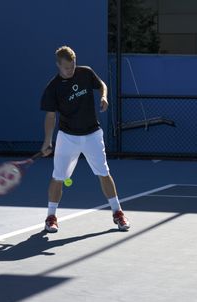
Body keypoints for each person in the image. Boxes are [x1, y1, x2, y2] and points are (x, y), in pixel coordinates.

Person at [40, 46, 130, 233]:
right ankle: (51, 217)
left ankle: (118, 213)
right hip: (67, 137)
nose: (71, 70)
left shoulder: (85, 73)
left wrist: (104, 96)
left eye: (73, 66)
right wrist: (47, 141)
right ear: (58, 65)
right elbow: (50, 116)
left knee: (104, 173)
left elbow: (101, 85)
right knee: (58, 177)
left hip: (92, 134)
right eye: (67, 68)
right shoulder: (53, 88)